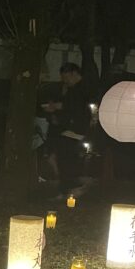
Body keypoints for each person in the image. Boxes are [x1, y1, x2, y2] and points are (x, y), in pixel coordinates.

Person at [42, 63, 94, 198]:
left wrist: (58, 109)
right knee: (64, 160)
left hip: (74, 130)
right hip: (71, 130)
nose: (65, 81)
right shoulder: (76, 89)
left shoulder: (81, 89)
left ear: (74, 74)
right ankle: (68, 189)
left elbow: (74, 108)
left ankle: (69, 189)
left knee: (66, 161)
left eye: (66, 77)